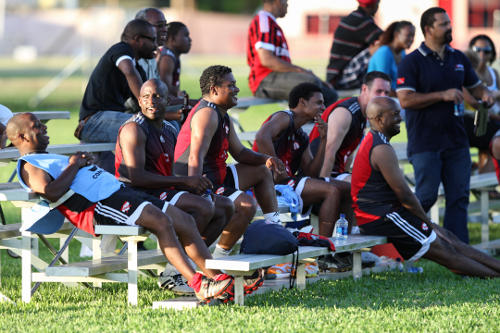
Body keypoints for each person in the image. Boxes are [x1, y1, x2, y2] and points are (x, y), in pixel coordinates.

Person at [6, 113, 238, 304]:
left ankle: (216, 279)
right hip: (99, 205)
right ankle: (199, 285)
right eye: (37, 127)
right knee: (162, 222)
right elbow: (51, 191)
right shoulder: (29, 165)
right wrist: (75, 165)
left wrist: (79, 164)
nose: (44, 129)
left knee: (185, 221)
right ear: (21, 136)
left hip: (118, 193)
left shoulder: (47, 156)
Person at [115, 79, 248, 294]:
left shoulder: (169, 128)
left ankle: (196, 266)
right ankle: (173, 272)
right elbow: (137, 177)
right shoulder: (134, 129)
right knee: (203, 207)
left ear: (168, 100)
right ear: (139, 101)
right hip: (135, 195)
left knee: (224, 206)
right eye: (146, 97)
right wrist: (184, 182)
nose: (152, 101)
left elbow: (172, 170)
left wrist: (193, 183)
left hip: (159, 190)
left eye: (157, 96)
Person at [351, 96, 500, 277]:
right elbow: (404, 193)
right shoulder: (381, 148)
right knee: (445, 251)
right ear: (380, 119)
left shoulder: (376, 141)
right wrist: (427, 221)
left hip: (387, 213)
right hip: (380, 217)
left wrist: (427, 223)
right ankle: (495, 276)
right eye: (395, 114)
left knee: (449, 238)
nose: (400, 118)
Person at [396, 7, 493, 243]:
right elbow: (406, 99)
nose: (450, 27)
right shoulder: (412, 61)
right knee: (426, 198)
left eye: (449, 23)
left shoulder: (458, 57)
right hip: (426, 143)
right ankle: (412, 248)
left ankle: (458, 250)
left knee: (459, 197)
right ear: (428, 29)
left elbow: (475, 86)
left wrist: (485, 95)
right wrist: (442, 96)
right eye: (444, 24)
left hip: (457, 141)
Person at [174, 65, 287, 258]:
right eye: (231, 85)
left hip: (215, 175)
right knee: (246, 205)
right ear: (214, 90)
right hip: (199, 180)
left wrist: (267, 158)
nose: (237, 89)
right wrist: (197, 195)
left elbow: (240, 152)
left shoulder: (221, 113)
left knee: (261, 170)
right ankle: (217, 258)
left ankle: (275, 228)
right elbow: (195, 156)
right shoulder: (207, 114)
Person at [253, 82, 352, 237]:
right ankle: (324, 249)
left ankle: (345, 249)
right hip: (271, 182)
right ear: (302, 102)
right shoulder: (284, 117)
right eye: (319, 102)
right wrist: (275, 165)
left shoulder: (301, 135)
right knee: (332, 191)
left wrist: (324, 140)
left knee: (348, 189)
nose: (323, 108)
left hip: (288, 182)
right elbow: (261, 136)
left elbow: (311, 172)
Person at [75, 19, 157, 172]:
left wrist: (183, 107)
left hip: (109, 121)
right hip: (93, 121)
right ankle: (147, 181)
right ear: (138, 39)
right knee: (145, 126)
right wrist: (148, 104)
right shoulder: (121, 50)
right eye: (152, 39)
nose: (156, 45)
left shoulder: (138, 70)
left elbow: (153, 102)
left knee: (166, 126)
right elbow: (128, 71)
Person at [247, 0, 337, 105]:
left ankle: (315, 120)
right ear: (277, 1)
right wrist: (301, 71)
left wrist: (309, 75)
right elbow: (267, 60)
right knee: (311, 85)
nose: (287, 4)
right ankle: (309, 120)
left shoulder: (271, 23)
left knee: (331, 94)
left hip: (277, 77)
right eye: (286, 1)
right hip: (263, 80)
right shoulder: (263, 20)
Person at [309, 71, 391, 181]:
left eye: (387, 93)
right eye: (379, 91)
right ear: (364, 89)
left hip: (335, 173)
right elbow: (328, 152)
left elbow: (349, 154)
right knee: (368, 187)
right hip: (317, 174)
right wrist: (324, 187)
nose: (383, 97)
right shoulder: (345, 113)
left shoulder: (363, 113)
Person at [326, 0, 382, 90]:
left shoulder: (356, 17)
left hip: (336, 75)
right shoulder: (361, 21)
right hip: (340, 78)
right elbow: (386, 39)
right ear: (373, 5)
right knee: (382, 48)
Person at [367, 21, 415, 93]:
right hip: (378, 96)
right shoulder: (384, 52)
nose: (411, 39)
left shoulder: (402, 53)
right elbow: (382, 85)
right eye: (408, 35)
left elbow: (401, 79)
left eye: (413, 36)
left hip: (394, 96)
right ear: (396, 34)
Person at [158, 21, 191, 100]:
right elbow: (164, 92)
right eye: (186, 36)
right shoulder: (167, 59)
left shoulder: (173, 56)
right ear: (172, 39)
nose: (190, 40)